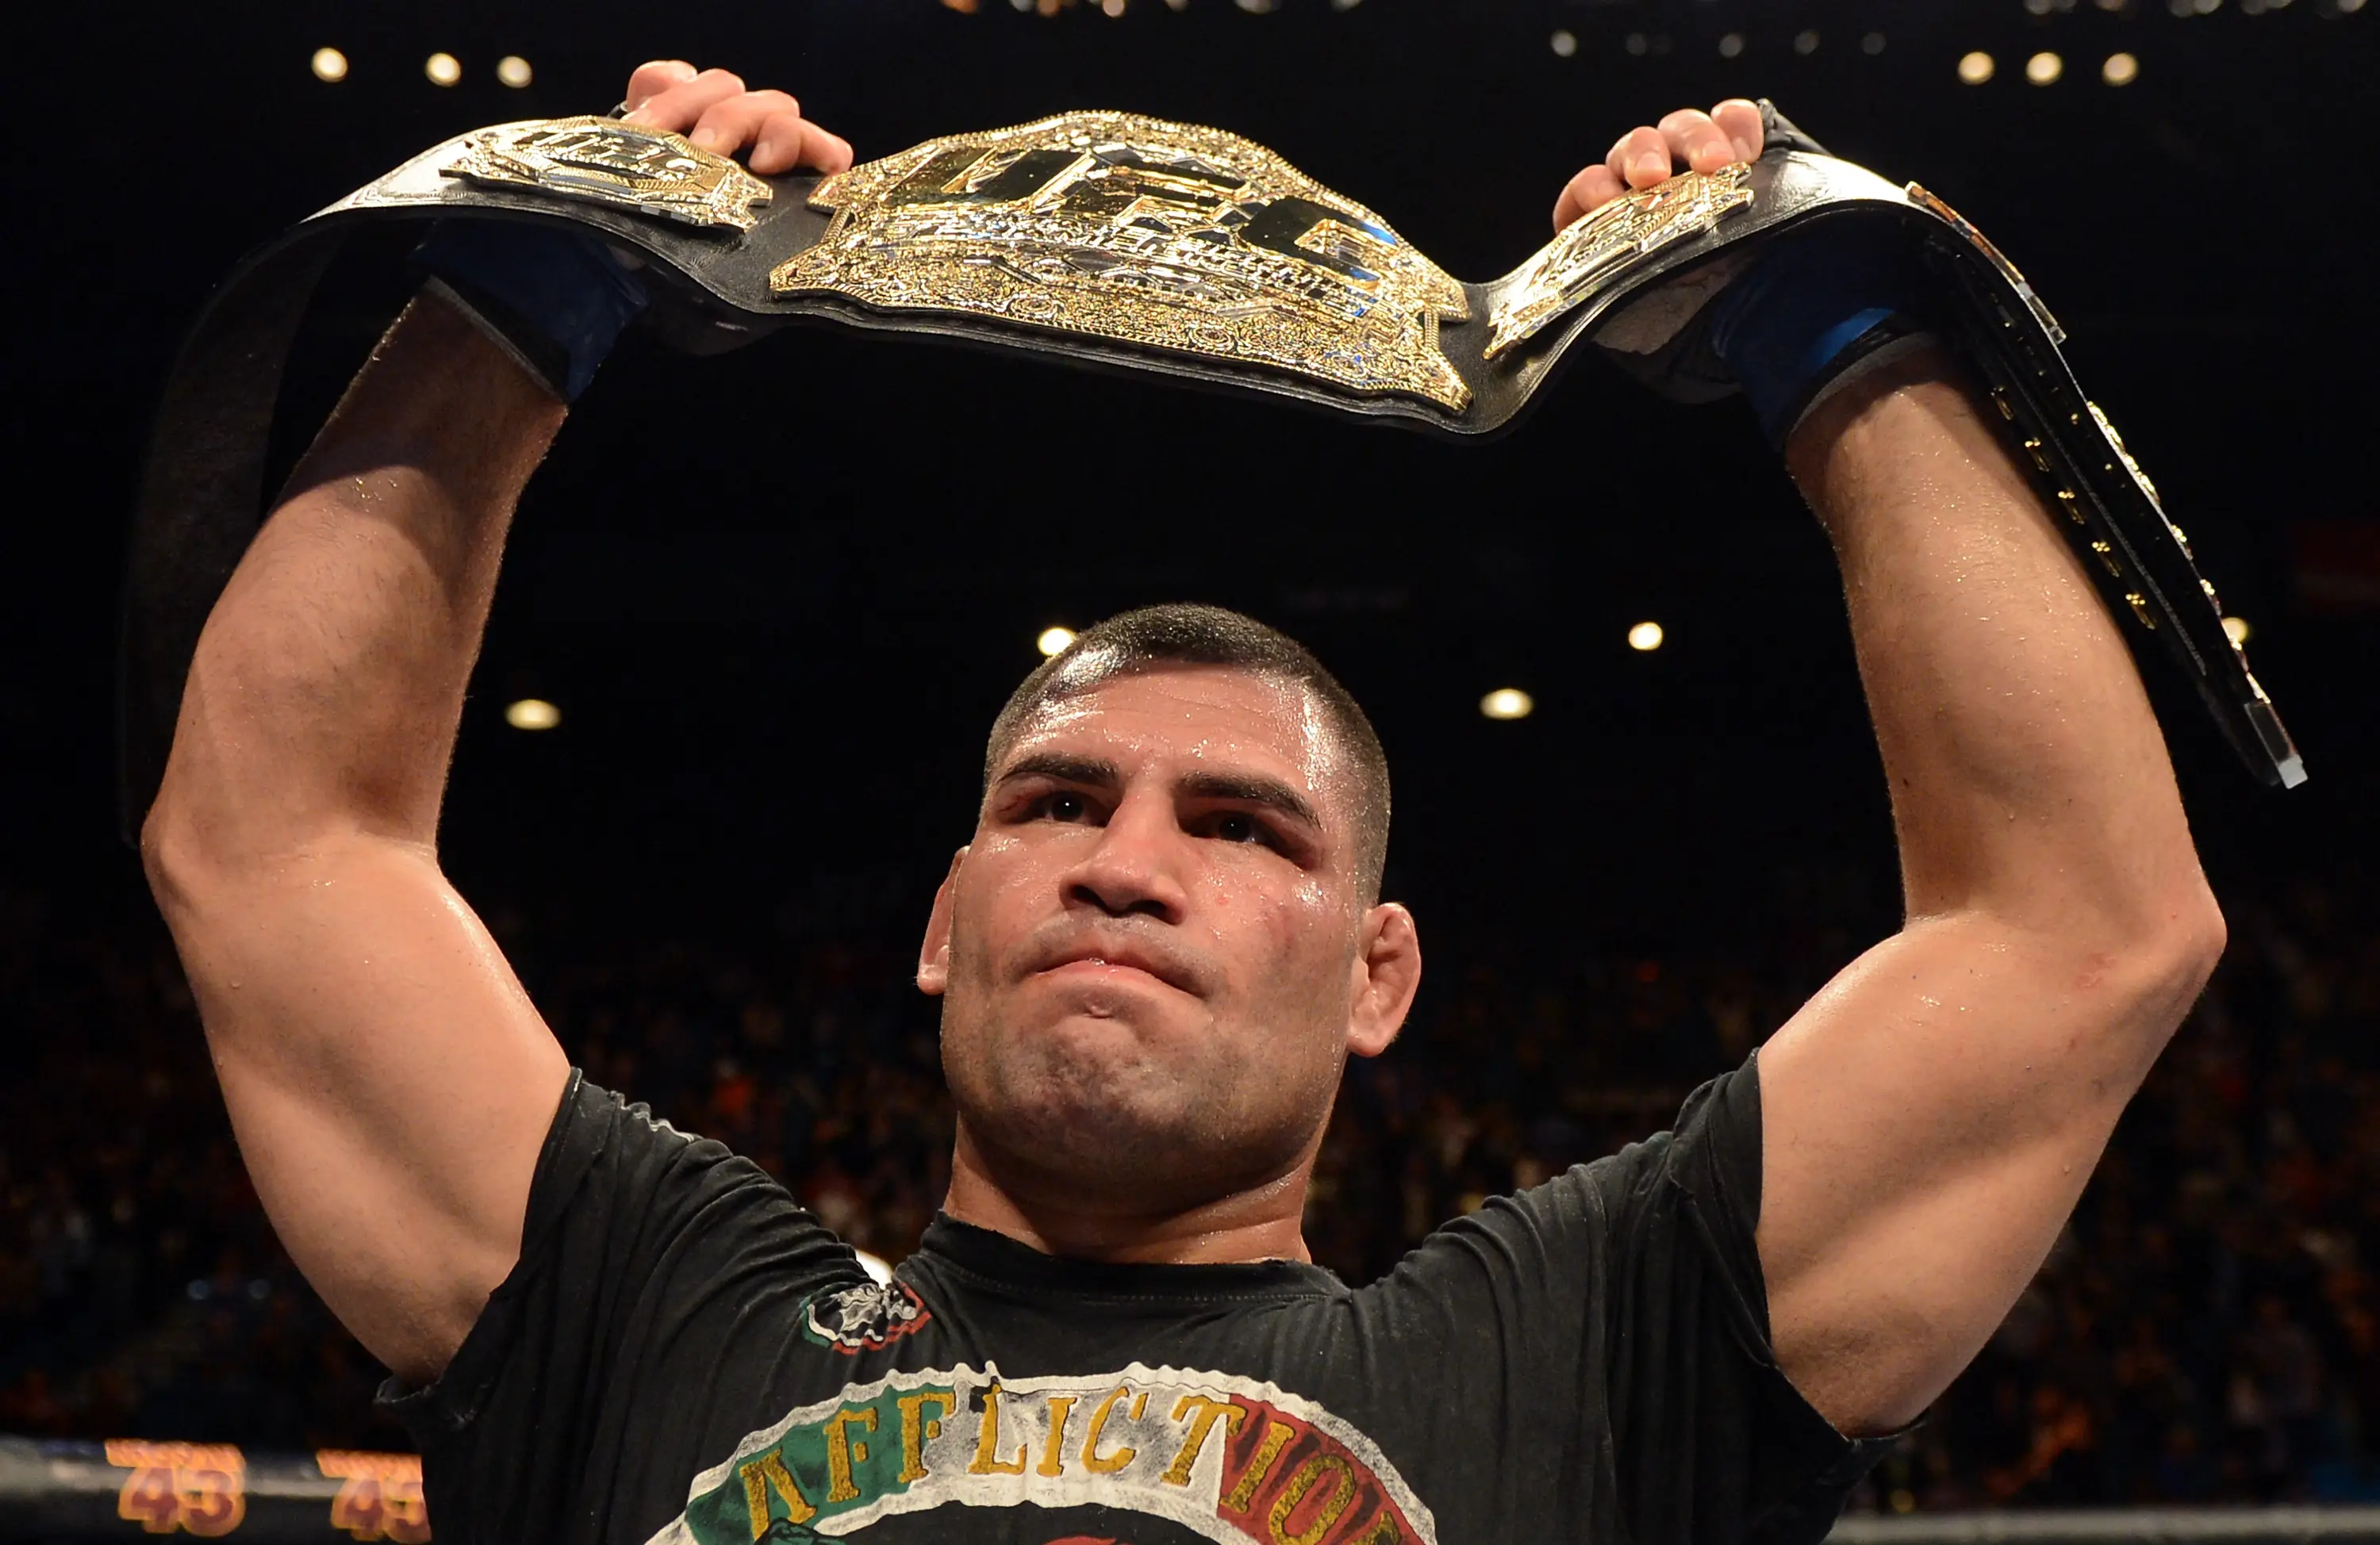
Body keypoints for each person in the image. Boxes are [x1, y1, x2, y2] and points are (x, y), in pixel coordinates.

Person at [139, 59, 2227, 1545]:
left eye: (1246, 828)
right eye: (1056, 800)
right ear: (944, 914)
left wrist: (1841, 327)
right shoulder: (640, 1298)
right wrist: (516, 298)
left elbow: (2079, 930)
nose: (1126, 866)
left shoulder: (1585, 1348)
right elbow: (273, 842)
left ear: (1380, 972)